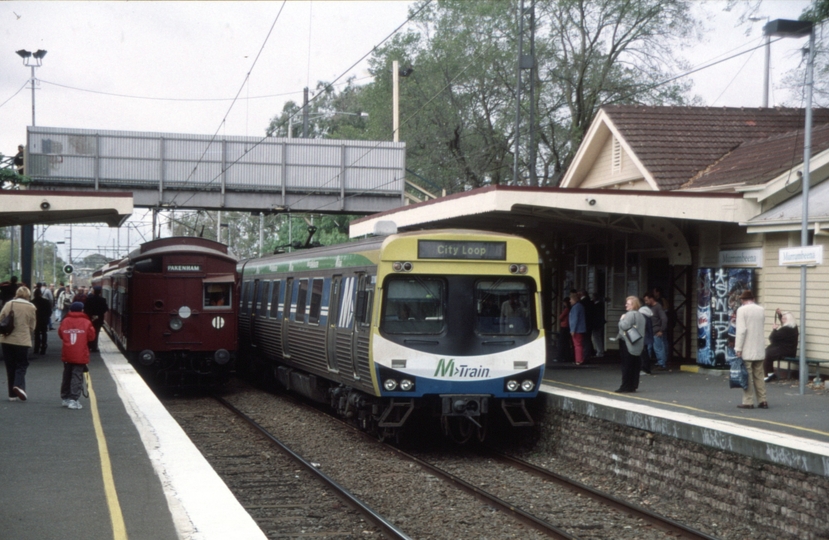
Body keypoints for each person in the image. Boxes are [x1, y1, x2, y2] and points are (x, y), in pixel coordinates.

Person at [1, 286, 37, 402]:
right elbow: (32, 326)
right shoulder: (31, 307)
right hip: (22, 340)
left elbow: (1, 318)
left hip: (7, 339)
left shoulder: (9, 304)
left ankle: (12, 395)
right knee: (22, 365)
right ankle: (18, 385)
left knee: (10, 366)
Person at [58, 302, 95, 410]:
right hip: (80, 353)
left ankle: (65, 398)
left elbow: (60, 334)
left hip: (67, 352)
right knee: (77, 376)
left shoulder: (65, 321)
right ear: (82, 310)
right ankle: (73, 399)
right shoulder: (87, 322)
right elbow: (91, 336)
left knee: (67, 375)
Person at [734, 290, 767, 409]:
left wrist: (738, 348)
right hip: (759, 348)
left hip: (747, 348)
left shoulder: (742, 310)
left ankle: (748, 401)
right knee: (759, 375)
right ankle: (763, 400)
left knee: (746, 376)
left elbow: (741, 331)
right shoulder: (761, 310)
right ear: (753, 299)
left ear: (742, 300)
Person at [616, 296, 646, 393]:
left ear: (633, 305)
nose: (626, 305)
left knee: (626, 365)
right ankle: (633, 385)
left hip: (628, 343)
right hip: (638, 343)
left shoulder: (629, 315)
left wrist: (621, 319)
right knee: (635, 365)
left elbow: (624, 326)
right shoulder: (641, 315)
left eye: (628, 304)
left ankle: (625, 386)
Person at [764, 309, 798, 382]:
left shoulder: (786, 329)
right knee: (768, 351)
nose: (783, 320)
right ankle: (770, 374)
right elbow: (783, 323)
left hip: (785, 351)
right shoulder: (793, 327)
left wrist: (774, 329)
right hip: (789, 350)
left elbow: (772, 338)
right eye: (782, 318)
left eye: (784, 319)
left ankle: (767, 374)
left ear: (789, 320)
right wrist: (780, 315)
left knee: (767, 353)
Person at [644, 292, 669, 369]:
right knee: (649, 348)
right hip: (650, 331)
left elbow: (664, 319)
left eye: (647, 300)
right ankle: (646, 363)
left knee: (658, 348)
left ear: (651, 299)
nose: (646, 302)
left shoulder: (658, 307)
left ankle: (662, 364)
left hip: (656, 331)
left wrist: (661, 330)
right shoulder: (649, 307)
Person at [83, 286, 108, 353]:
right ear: (100, 292)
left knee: (89, 332)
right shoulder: (102, 300)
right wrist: (98, 314)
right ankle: (94, 346)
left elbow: (85, 309)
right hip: (98, 318)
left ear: (93, 291)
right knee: (96, 332)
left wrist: (91, 315)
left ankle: (89, 346)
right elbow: (105, 309)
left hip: (90, 318)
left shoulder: (89, 299)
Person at [32, 287, 52, 355]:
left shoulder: (32, 302)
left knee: (36, 334)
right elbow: (49, 311)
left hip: (36, 320)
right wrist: (47, 317)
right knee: (44, 333)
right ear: (41, 294)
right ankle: (43, 347)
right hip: (44, 319)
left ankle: (36, 348)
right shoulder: (46, 302)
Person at [568, 292, 587, 365]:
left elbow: (574, 319)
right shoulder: (580, 306)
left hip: (577, 329)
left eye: (571, 299)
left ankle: (578, 360)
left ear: (574, 299)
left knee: (577, 345)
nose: (570, 301)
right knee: (579, 344)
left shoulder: (575, 307)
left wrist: (572, 330)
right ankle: (580, 359)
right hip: (580, 328)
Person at [638, 301, 654, 375]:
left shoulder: (642, 315)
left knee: (643, 354)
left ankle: (645, 369)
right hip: (647, 336)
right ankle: (646, 368)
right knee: (645, 353)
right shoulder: (647, 315)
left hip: (643, 336)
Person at [590, 293, 606, 358]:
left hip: (597, 324)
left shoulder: (597, 305)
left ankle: (600, 352)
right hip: (600, 323)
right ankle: (599, 351)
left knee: (597, 338)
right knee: (598, 337)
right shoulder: (600, 304)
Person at [557, 298, 572, 363]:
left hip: (564, 326)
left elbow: (560, 317)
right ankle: (567, 356)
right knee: (566, 343)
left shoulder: (566, 309)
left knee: (562, 342)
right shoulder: (570, 309)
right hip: (567, 327)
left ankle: (561, 356)